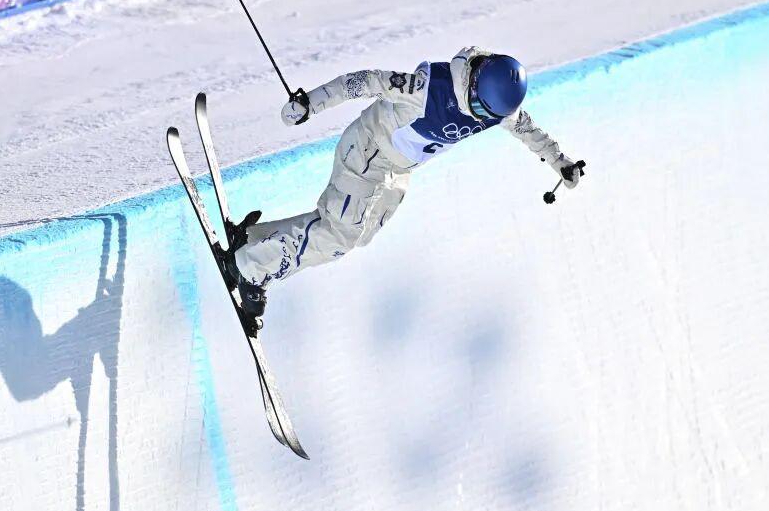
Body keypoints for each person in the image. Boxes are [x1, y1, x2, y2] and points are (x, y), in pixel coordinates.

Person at [221, 46, 585, 323]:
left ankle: (253, 242)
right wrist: (309, 105)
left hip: (397, 170)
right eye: (478, 107)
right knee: (339, 235)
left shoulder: (494, 109)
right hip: (368, 152)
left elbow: (526, 129)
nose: (480, 117)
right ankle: (251, 267)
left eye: (488, 115)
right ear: (474, 84)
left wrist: (560, 161)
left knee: (357, 236)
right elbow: (364, 81)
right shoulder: (429, 88)